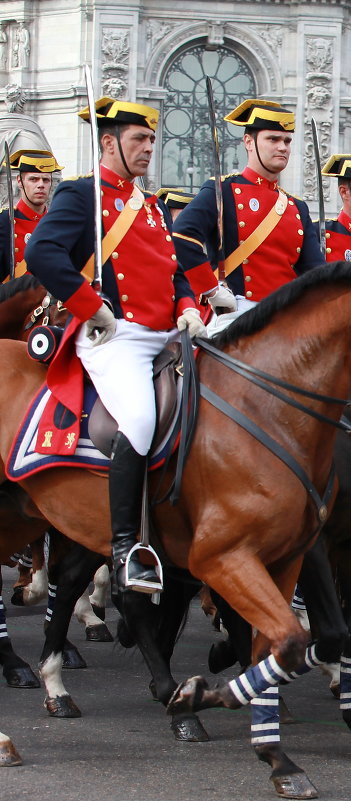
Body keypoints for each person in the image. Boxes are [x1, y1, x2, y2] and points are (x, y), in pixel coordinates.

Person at [26, 97, 203, 597]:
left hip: (166, 335)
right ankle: (127, 547)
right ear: (108, 142)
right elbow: (42, 251)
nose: (149, 147)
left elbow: (173, 270)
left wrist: (188, 304)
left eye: (151, 139)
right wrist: (89, 306)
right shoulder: (82, 194)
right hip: (115, 335)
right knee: (141, 421)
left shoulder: (147, 203)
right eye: (138, 140)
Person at [172, 98, 323, 331]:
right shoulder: (221, 190)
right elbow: (182, 236)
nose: (282, 147)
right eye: (273, 139)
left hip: (287, 316)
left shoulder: (297, 206)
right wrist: (212, 290)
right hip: (237, 313)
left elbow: (316, 273)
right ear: (249, 142)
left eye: (287, 141)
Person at [0, 149, 63, 281]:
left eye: (46, 180)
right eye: (33, 179)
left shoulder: (57, 224)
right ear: (20, 181)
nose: (41, 185)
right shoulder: (4, 220)